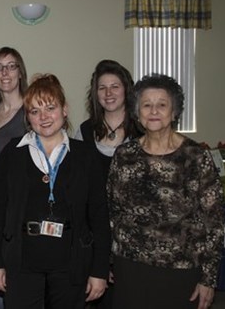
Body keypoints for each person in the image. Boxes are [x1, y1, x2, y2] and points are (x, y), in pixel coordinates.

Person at [0, 74, 110, 309]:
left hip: (71, 265)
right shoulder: (13, 153)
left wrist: (99, 270)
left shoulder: (86, 156)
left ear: (64, 110)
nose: (43, 117)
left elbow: (99, 216)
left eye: (50, 108)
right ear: (27, 117)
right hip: (21, 263)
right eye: (34, 111)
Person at [106, 74, 224, 309]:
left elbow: (214, 223)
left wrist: (208, 279)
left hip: (181, 272)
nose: (154, 111)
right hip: (130, 269)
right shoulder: (124, 155)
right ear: (137, 113)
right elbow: (112, 212)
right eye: (146, 105)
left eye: (162, 104)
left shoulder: (196, 157)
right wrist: (108, 262)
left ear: (174, 112)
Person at [74, 59, 141, 309]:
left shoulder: (143, 133)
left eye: (115, 86)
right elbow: (78, 191)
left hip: (134, 240)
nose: (109, 93)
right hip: (95, 236)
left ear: (126, 90)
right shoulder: (83, 132)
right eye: (102, 88)